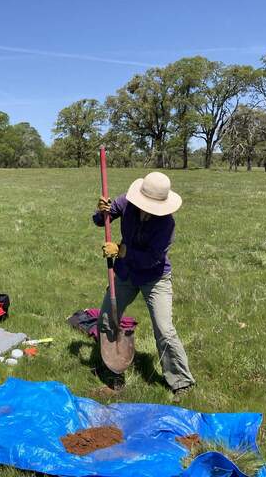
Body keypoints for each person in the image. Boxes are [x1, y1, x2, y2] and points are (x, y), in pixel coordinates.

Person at [92, 171, 196, 400]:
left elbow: (153, 258)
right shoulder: (126, 202)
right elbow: (101, 222)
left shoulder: (166, 225)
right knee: (107, 318)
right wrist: (102, 211)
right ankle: (112, 369)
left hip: (155, 277)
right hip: (126, 273)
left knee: (164, 329)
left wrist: (121, 251)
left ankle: (181, 381)